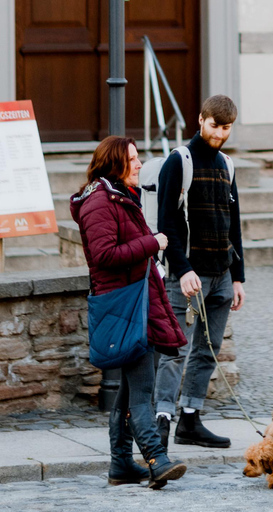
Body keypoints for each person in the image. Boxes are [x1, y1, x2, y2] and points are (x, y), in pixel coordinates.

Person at [70, 136, 187, 489]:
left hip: (135, 299)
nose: (139, 164)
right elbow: (105, 255)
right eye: (133, 159)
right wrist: (153, 242)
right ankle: (157, 458)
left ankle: (121, 464)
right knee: (141, 388)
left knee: (126, 391)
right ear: (115, 163)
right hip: (124, 304)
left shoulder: (115, 196)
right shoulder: (99, 203)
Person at [153, 95, 245, 448]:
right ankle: (162, 421)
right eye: (214, 125)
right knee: (175, 351)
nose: (220, 133)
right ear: (200, 119)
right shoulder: (179, 161)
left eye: (226, 128)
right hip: (188, 277)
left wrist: (238, 277)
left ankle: (190, 420)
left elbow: (233, 224)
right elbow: (166, 223)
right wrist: (183, 268)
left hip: (222, 275)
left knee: (210, 348)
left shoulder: (227, 165)